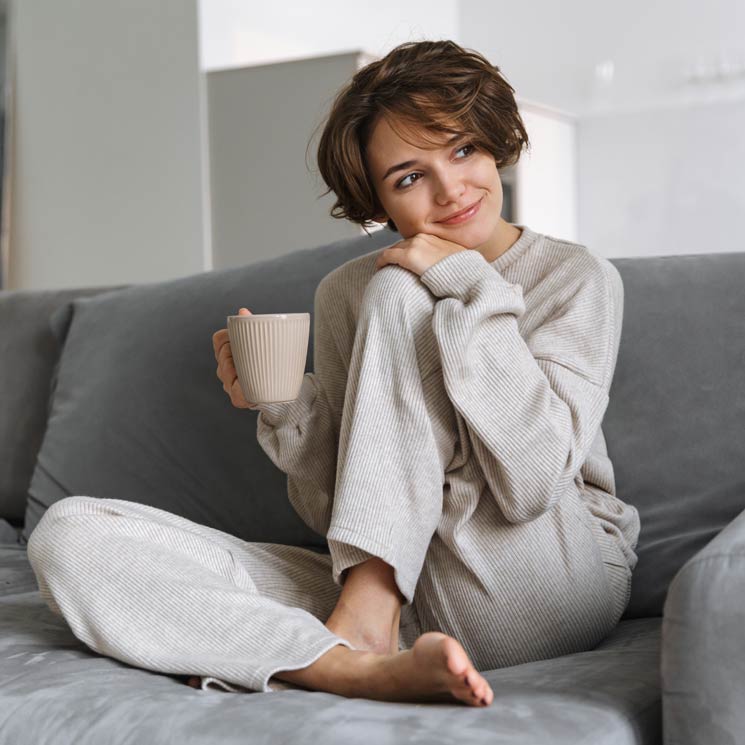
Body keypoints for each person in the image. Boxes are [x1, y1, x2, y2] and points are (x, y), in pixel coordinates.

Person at [26, 39, 640, 708]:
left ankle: (361, 619)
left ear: (494, 144)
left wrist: (462, 284)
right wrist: (286, 407)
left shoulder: (576, 279)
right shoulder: (348, 291)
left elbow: (532, 482)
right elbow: (338, 510)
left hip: (545, 576)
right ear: (376, 200)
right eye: (408, 177)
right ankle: (352, 664)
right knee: (72, 537)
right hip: (416, 588)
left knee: (400, 293)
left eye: (462, 150)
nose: (450, 189)